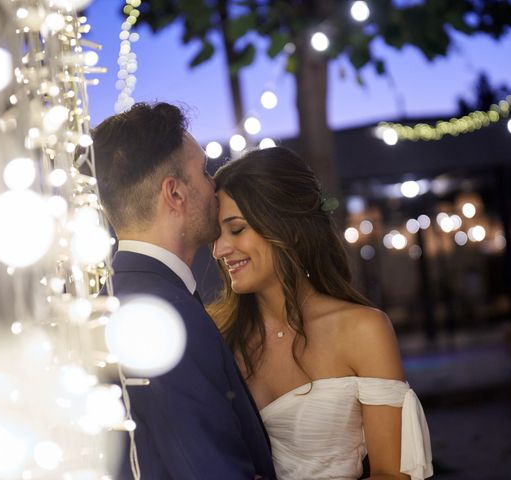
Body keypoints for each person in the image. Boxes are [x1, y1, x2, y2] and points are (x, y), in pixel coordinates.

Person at [209, 146, 432, 480]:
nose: (219, 249)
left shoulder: (363, 329)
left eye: (237, 229)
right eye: (216, 234)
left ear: (288, 228)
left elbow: (392, 474)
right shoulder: (218, 336)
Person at [91, 102, 276, 480]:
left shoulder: (108, 299)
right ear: (174, 194)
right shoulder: (165, 319)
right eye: (204, 172)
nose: (214, 188)